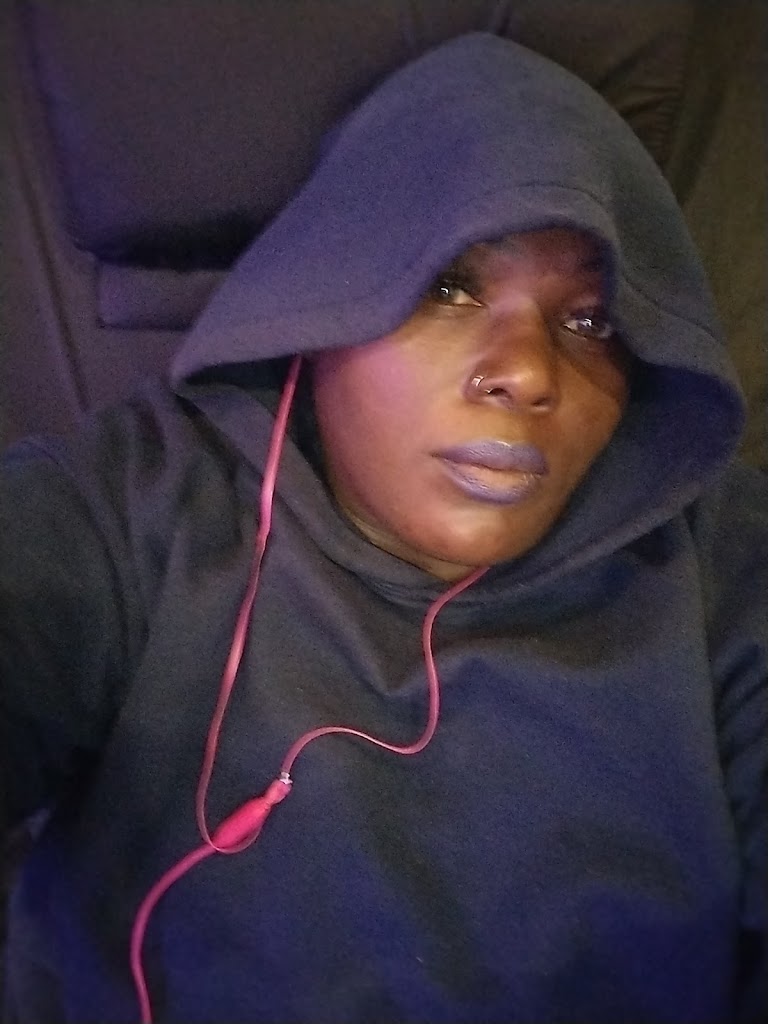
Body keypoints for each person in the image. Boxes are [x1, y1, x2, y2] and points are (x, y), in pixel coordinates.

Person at [1, 31, 766, 1024]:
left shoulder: (720, 560)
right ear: (321, 299)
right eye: (450, 287)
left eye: (587, 320)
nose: (528, 372)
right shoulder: (139, 500)